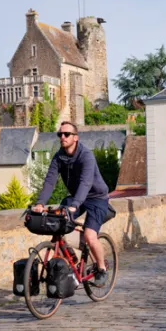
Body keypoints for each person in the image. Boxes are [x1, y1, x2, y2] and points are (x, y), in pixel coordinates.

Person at [32, 121, 110, 286]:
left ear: (76, 137)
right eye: (60, 134)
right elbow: (49, 182)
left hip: (96, 197)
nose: (62, 137)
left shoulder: (86, 155)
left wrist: (75, 204)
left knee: (90, 235)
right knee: (58, 222)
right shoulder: (59, 157)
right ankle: (74, 260)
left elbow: (86, 182)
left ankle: (101, 268)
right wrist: (40, 203)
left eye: (66, 134)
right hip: (76, 196)